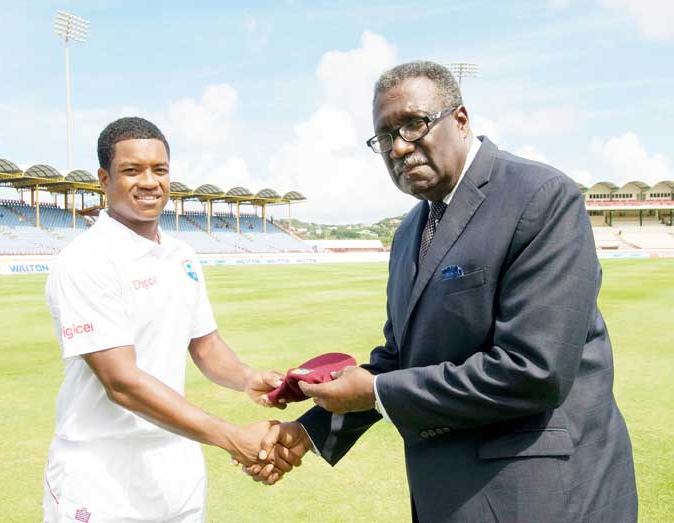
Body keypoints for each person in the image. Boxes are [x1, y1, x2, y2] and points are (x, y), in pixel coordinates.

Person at [252, 61, 637, 522]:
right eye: (384, 136)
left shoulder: (540, 196)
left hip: (539, 498)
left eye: (414, 124)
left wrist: (375, 392)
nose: (398, 147)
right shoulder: (410, 231)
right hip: (448, 498)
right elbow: (400, 361)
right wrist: (311, 430)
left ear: (460, 119)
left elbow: (535, 370)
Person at [42, 117, 293, 523]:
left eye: (159, 170)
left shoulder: (181, 255)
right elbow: (122, 383)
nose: (149, 181)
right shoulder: (85, 260)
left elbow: (206, 346)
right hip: (101, 476)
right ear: (104, 179)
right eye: (132, 170)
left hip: (177, 469)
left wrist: (247, 378)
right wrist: (233, 438)